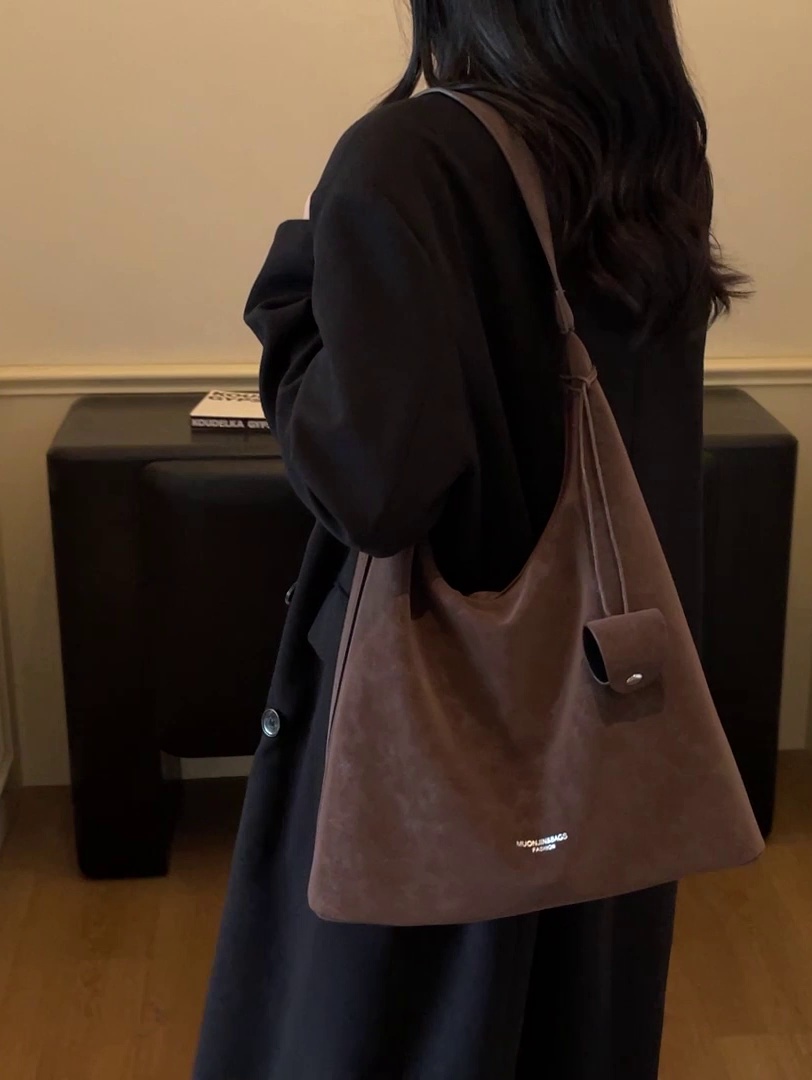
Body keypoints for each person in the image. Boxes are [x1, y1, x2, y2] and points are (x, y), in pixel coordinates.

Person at [194, 2, 747, 1077]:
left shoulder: (410, 156)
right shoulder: (651, 156)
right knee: (573, 1021)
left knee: (397, 1026)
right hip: (604, 711)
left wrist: (295, 301)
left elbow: (373, 490)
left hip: (436, 724)